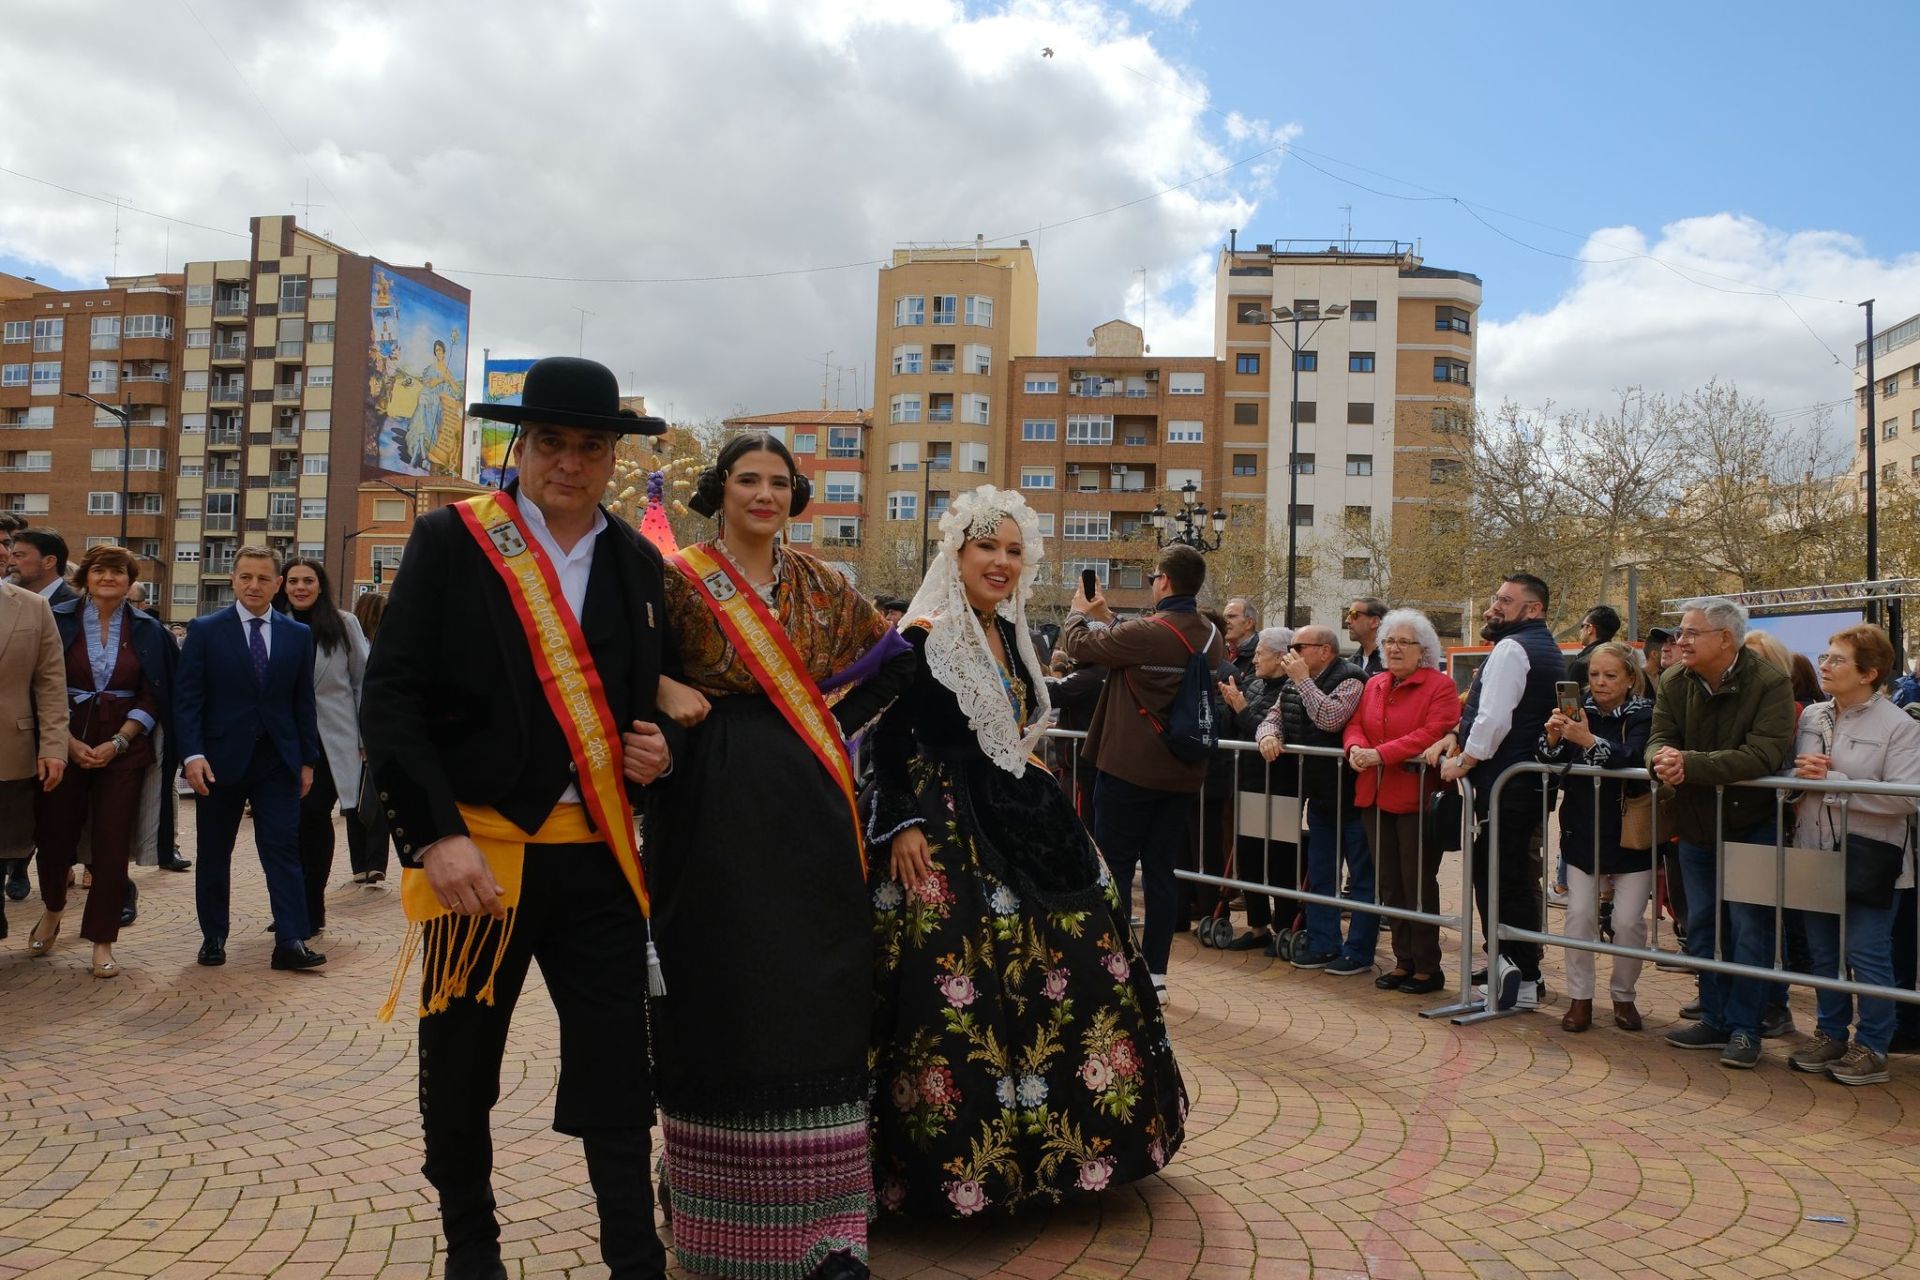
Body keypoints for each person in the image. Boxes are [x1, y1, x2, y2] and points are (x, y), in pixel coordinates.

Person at [363, 356, 680, 1280]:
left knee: (619, 1067)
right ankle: (474, 1246)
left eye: (591, 446)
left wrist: (659, 753)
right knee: (461, 1067)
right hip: (481, 859)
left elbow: (638, 707)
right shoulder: (453, 540)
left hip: (599, 862)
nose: (570, 463)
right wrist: (434, 836)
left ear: (614, 458)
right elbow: (392, 699)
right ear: (520, 446)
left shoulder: (636, 561)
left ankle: (634, 1255)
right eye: (552, 443)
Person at [866, 485, 1185, 1218]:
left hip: (1020, 815)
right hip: (942, 827)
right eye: (988, 547)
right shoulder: (922, 634)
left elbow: (1006, 730)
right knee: (954, 981)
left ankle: (1072, 1150)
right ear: (958, 552)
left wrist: (1027, 764)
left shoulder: (1009, 634)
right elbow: (886, 739)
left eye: (1014, 550)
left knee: (1067, 966)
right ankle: (959, 1166)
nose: (1001, 562)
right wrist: (901, 824)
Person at [647, 431, 915, 1280]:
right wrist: (663, 690)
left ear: (796, 496)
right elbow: (616, 665)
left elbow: (894, 662)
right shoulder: (677, 579)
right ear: (718, 490)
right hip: (707, 802)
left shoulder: (820, 584)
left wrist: (830, 725)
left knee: (816, 979)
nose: (763, 494)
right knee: (722, 975)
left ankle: (830, 1230)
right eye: (747, 479)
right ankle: (714, 1226)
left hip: (807, 798)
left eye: (778, 482)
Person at [1060, 545, 1226, 991]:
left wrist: (1079, 612)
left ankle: (1109, 966)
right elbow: (1144, 643)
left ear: (1164, 581)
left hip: (1129, 769)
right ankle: (1156, 972)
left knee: (1113, 866)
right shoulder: (1212, 635)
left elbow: (1079, 644)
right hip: (1181, 771)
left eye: (1153, 576)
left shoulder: (1148, 632)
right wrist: (1108, 613)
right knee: (1160, 871)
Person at [1650, 596, 1797, 1070]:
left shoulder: (1771, 683)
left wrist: (1688, 764)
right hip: (1696, 823)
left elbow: (1763, 756)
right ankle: (1713, 1016)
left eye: (1691, 633)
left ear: (1725, 639)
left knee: (1750, 928)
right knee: (1705, 924)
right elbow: (1659, 735)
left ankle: (1745, 1028)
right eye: (1681, 632)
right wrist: (1660, 760)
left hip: (1753, 823)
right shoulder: (1675, 680)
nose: (1681, 640)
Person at [30, 545, 175, 978]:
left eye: (118, 572)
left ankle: (102, 940)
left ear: (130, 582)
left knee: (112, 847)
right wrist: (67, 743)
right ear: (86, 577)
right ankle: (54, 909)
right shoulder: (56, 620)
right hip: (63, 740)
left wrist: (119, 740)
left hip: (124, 747)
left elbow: (156, 694)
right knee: (55, 836)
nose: (108, 577)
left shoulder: (150, 629)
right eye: (100, 570)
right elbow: (38, 683)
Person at [177, 546, 323, 971]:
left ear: (278, 584)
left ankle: (291, 940)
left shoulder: (297, 635)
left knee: (282, 847)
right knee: (214, 850)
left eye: (263, 578)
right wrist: (192, 755)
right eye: (245, 577)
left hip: (278, 760)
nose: (254, 586)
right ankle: (213, 937)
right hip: (218, 761)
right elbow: (187, 700)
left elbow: (303, 703)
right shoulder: (204, 630)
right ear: (233, 580)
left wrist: (308, 760)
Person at [1786, 624, 1920, 1086]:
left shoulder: (1899, 725)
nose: (1825, 666)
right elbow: (1800, 783)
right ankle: (1830, 1033)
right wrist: (1795, 783)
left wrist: (1837, 784)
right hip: (1814, 851)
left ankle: (1874, 1045)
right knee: (1823, 953)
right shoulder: (1812, 717)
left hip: (1873, 858)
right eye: (1825, 657)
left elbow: (1907, 798)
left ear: (1870, 673)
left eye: (1837, 659)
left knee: (1867, 954)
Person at [1426, 573, 1566, 1011]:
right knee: (1508, 878)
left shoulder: (1512, 647)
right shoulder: (1538, 645)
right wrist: (1457, 735)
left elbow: (1493, 719)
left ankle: (1520, 975)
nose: (1493, 607)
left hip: (1507, 786)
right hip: (1518, 785)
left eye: (1506, 600)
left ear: (1534, 609)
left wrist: (1464, 760)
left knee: (1502, 879)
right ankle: (1511, 969)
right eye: (1495, 598)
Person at [1538, 641, 1654, 1032]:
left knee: (1627, 922)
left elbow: (1634, 757)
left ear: (1630, 679)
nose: (1600, 683)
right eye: (1593, 675)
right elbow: (1549, 762)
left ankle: (1623, 996)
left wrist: (1587, 741)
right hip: (1582, 828)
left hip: (1630, 832)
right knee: (1579, 917)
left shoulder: (1644, 713)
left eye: (1610, 676)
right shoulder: (1575, 710)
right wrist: (1554, 737)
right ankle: (1580, 998)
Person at [1343, 610, 1458, 994]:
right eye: (1390, 640)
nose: (1393, 648)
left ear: (1422, 650)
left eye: (1403, 642)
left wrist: (1381, 754)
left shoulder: (1438, 686)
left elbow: (1433, 731)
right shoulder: (1374, 683)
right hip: (1374, 795)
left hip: (1415, 799)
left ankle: (1427, 966)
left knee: (1417, 884)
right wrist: (1356, 746)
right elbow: (1356, 723)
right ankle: (1402, 961)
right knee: (1390, 884)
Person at [1255, 624, 1376, 975]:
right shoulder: (1295, 681)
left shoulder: (1351, 678)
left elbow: (1329, 719)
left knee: (1362, 878)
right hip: (1321, 797)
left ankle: (1358, 951)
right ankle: (1324, 943)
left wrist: (1304, 680)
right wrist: (1267, 736)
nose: (1291, 653)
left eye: (1299, 646)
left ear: (1324, 650)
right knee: (1322, 873)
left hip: (1354, 796)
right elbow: (1272, 717)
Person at [278, 559, 375, 915]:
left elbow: (362, 681)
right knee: (287, 823)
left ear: (321, 585)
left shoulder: (342, 623)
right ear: (283, 585)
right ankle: (290, 906)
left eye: (308, 580)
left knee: (315, 814)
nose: (300, 587)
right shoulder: (273, 623)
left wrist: (366, 736)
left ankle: (312, 907)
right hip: (283, 738)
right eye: (293, 581)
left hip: (330, 739)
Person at [0, 573, 67, 941]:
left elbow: (51, 682)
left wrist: (54, 746)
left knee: (5, 843)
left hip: (10, 748)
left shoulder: (33, 606)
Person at [1220, 625, 1293, 952]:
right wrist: (1231, 706)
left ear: (1280, 657)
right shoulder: (1253, 682)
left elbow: (1263, 732)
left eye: (1261, 654)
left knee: (1280, 859)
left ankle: (1287, 925)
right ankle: (1258, 925)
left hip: (1280, 785)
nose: (1256, 660)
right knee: (1249, 855)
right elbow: (1236, 724)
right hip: (1248, 781)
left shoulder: (1290, 690)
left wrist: (1241, 710)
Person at [10, 528, 78, 606]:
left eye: (18, 555)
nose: (10, 562)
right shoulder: (9, 602)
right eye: (11, 555)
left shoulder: (78, 606)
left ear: (49, 562)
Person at [1566, 604, 1621, 690]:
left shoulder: (1581, 664)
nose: (1580, 631)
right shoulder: (1623, 661)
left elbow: (1570, 698)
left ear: (1590, 629)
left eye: (1582, 626)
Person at [1344, 597, 1388, 676]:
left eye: (1354, 614)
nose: (1347, 620)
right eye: (1348, 614)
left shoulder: (1391, 662)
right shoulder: (1350, 664)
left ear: (1375, 621)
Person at [1223, 596, 1261, 681]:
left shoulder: (1262, 654)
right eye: (1224, 617)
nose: (1225, 621)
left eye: (1231, 616)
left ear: (1249, 623)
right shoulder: (1219, 653)